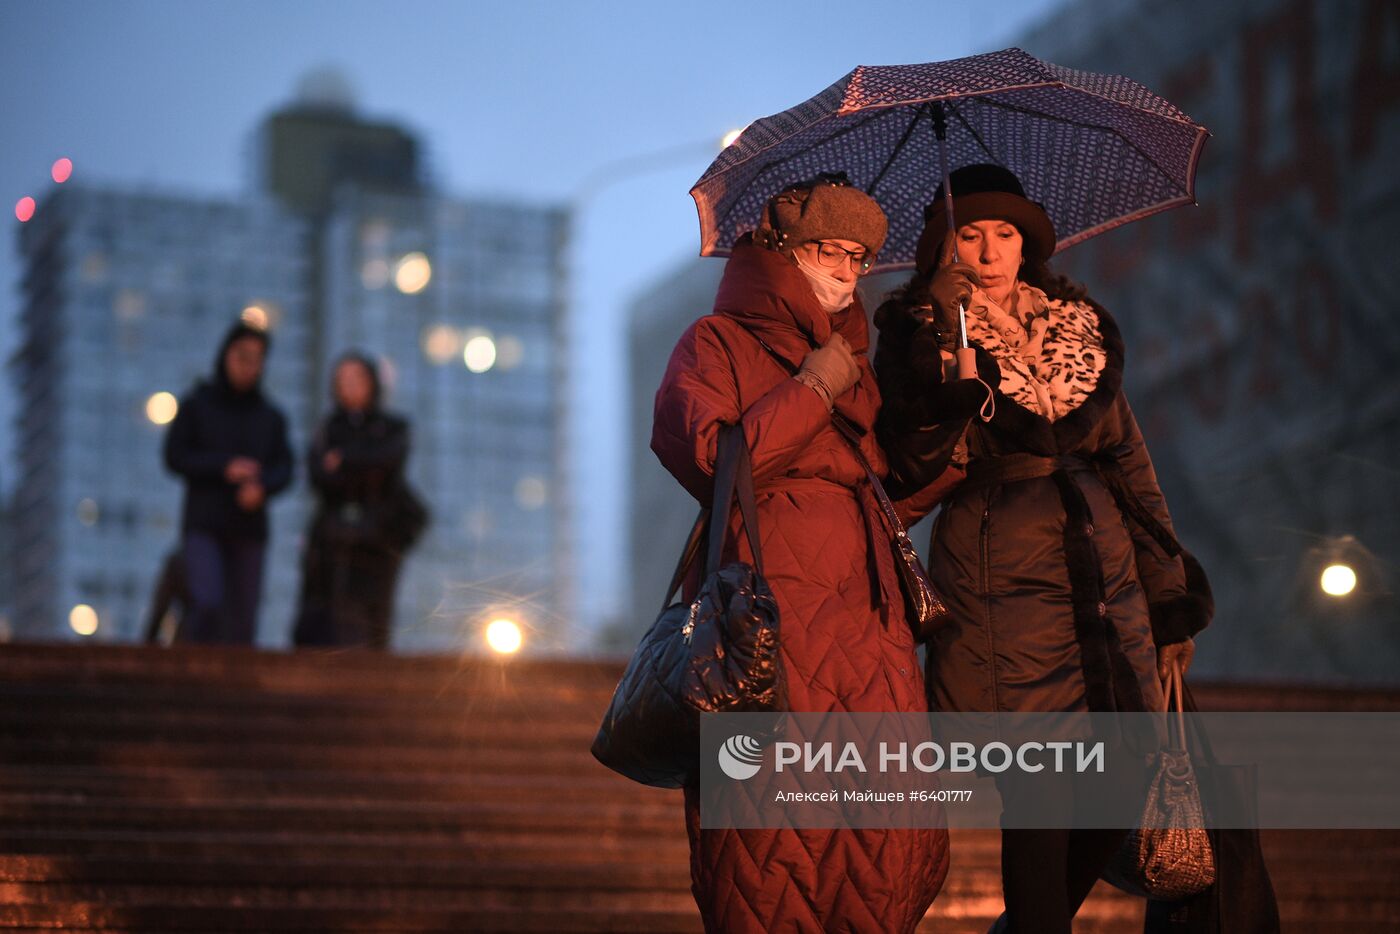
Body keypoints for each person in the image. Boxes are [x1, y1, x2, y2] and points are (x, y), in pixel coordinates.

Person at [873, 164, 1213, 934]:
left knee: (1122, 778)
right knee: (1040, 791)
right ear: (943, 246)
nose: (992, 251)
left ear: (1028, 244)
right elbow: (903, 461)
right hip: (1001, 574)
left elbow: (1130, 464)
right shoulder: (917, 330)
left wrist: (1168, 598)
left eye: (1006, 234)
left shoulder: (1078, 327)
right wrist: (948, 383)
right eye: (972, 234)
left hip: (1104, 575)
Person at [651, 174, 948, 932]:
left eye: (859, 256)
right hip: (769, 617)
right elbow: (712, 461)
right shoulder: (715, 342)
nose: (847, 271)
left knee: (884, 846)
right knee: (770, 843)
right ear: (784, 250)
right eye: (830, 250)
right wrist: (812, 390)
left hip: (868, 629)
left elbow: (865, 494)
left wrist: (950, 447)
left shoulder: (853, 360)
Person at [163, 321, 293, 645]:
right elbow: (174, 456)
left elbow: (286, 467)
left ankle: (237, 692)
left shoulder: (270, 415)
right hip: (204, 524)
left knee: (244, 621)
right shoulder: (197, 403)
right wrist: (224, 467)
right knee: (207, 601)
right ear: (226, 355)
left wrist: (262, 487)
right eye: (243, 356)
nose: (250, 366)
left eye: (258, 358)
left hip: (249, 530)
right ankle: (188, 666)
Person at [293, 353, 423, 650]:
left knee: (372, 618)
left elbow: (388, 462)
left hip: (377, 543)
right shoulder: (327, 429)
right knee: (326, 617)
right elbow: (317, 475)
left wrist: (345, 461)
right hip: (331, 544)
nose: (350, 387)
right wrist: (360, 466)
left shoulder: (392, 427)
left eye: (357, 379)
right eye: (343, 380)